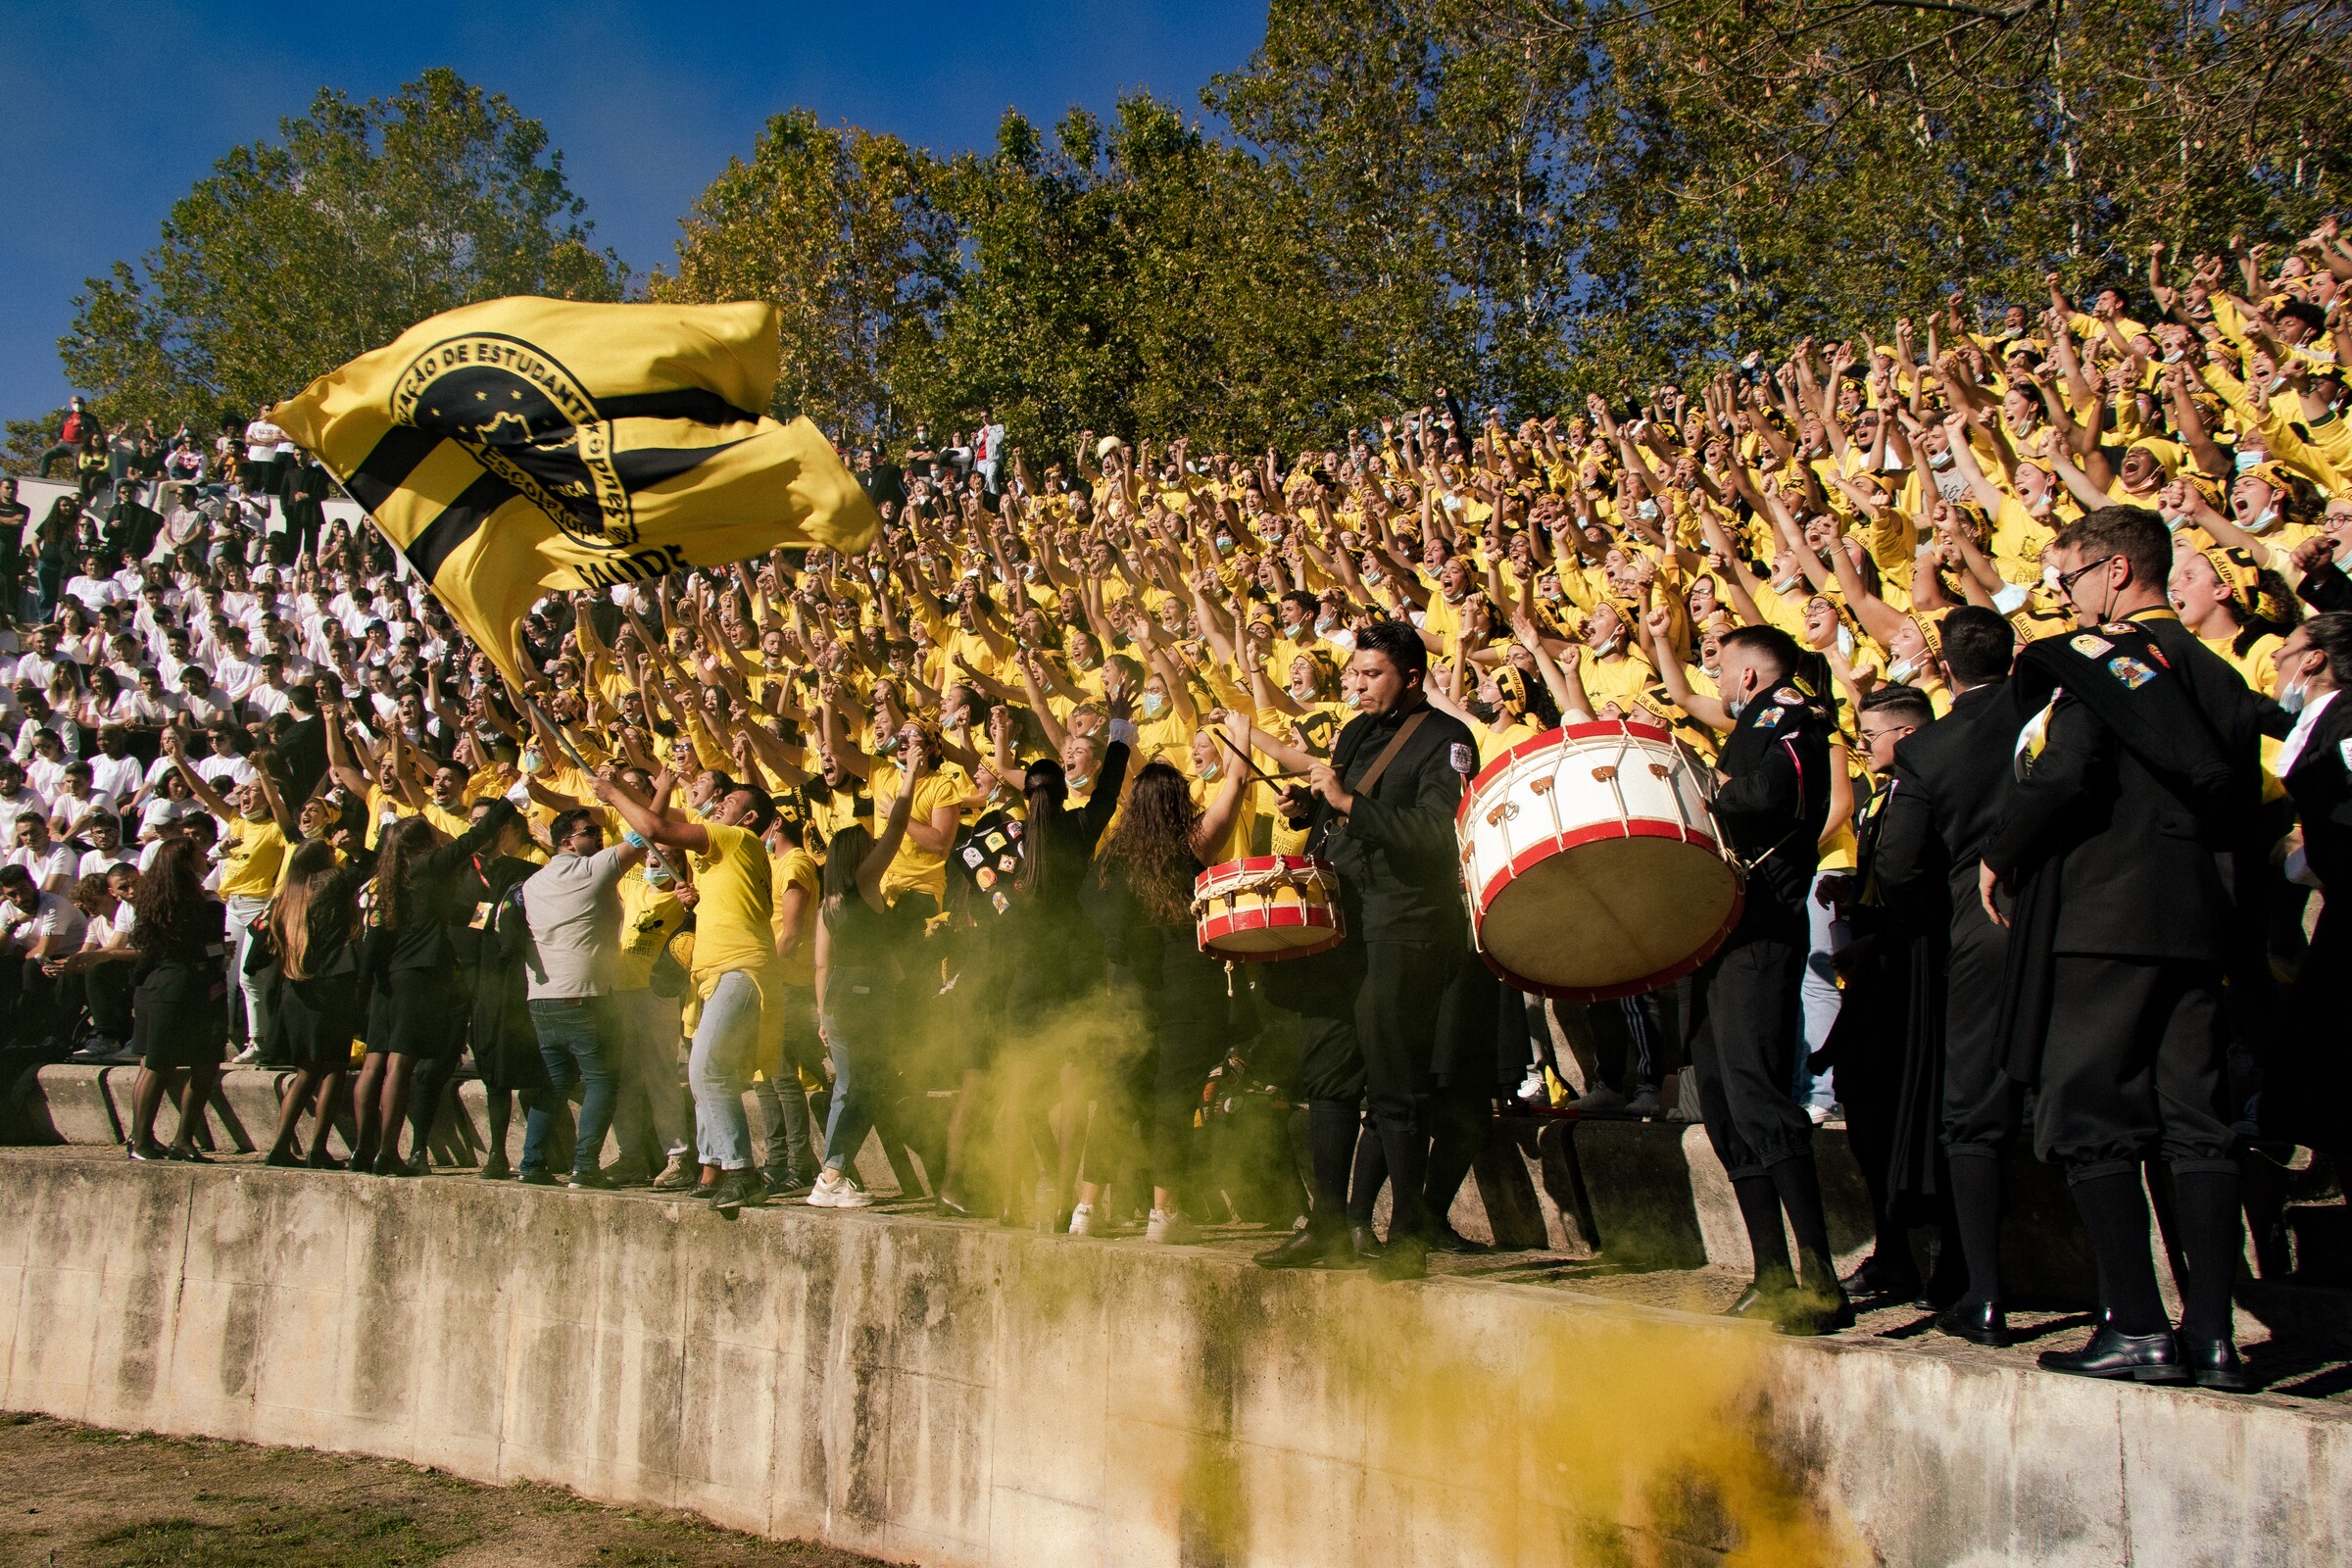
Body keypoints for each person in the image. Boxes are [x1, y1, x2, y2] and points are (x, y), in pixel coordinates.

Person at [1982, 520, 2245, 1390]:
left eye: (2068, 575)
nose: (2063, 592)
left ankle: (2135, 1323)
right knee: (2196, 1121)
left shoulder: (2098, 660)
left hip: (2100, 914)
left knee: (2092, 1117)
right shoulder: (2216, 669)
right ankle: (2213, 1336)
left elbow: (2063, 776)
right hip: (2200, 920)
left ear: (2117, 568)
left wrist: (2000, 851)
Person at [1254, 619, 1478, 1282]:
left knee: (1393, 1083)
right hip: (1339, 920)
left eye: (1370, 674)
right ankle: (1327, 1224)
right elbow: (1337, 813)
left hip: (1402, 924)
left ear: (1411, 677)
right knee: (1328, 1078)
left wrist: (1348, 800)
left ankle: (1406, 1232)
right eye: (1353, 674)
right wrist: (1308, 810)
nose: (1356, 685)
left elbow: (1438, 835)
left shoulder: (1448, 740)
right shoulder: (1352, 732)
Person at [1683, 625, 1849, 1335]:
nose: (1715, 682)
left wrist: (1703, 786)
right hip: (1720, 928)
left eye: (1721, 669)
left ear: (1749, 674)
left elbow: (1771, 793)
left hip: (1761, 926)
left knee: (1755, 1094)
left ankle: (1819, 1279)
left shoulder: (1789, 713)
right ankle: (1771, 1272)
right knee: (1722, 1099)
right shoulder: (1756, 717)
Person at [1868, 606, 2027, 1345]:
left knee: (1971, 1113)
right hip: (2068, 915)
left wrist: (1941, 915)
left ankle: (1983, 1296)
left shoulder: (1930, 749)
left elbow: (1898, 865)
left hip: (1973, 929)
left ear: (1946, 669)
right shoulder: (2050, 711)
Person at [1091, 726, 1250, 1241]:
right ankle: (1163, 1215)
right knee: (1174, 1098)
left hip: (1128, 995)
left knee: (1115, 1098)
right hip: (1185, 993)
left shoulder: (1112, 859)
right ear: (1179, 804)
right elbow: (1238, 780)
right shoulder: (1194, 843)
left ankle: (1085, 1210)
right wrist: (1239, 728)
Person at [595, 767, 778, 1215]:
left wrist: (613, 793)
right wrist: (698, 903)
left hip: (738, 969)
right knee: (711, 1074)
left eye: (729, 803)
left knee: (707, 1070)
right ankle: (716, 1166)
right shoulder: (726, 857)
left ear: (749, 818)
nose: (719, 806)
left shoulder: (736, 839)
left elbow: (655, 829)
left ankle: (741, 1172)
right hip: (715, 974)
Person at [357, 798, 522, 1177]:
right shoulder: (427, 867)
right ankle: (387, 1150)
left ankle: (363, 1150)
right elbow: (475, 838)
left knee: (374, 1061)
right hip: (417, 974)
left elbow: (444, 915)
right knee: (400, 1061)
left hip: (386, 975)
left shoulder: (386, 876)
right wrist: (508, 800)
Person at [805, 739, 925, 1212]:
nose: (876, 848)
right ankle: (831, 1175)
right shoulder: (863, 885)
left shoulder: (828, 903)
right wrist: (910, 775)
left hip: (837, 998)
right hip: (867, 996)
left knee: (854, 1086)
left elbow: (821, 964)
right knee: (858, 1087)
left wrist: (821, 1014)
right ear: (859, 855)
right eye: (868, 846)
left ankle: (834, 1171)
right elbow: (896, 829)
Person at [517, 807, 649, 1189]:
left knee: (556, 1082)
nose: (599, 837)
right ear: (566, 842)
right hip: (584, 996)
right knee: (602, 1080)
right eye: (590, 832)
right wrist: (661, 789)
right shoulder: (589, 870)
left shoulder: (533, 882)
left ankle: (532, 1163)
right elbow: (644, 832)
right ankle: (585, 1166)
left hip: (542, 998)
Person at [251, 838, 369, 1168]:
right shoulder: (331, 883)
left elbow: (256, 948)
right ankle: (318, 1147)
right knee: (333, 1068)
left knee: (304, 1072)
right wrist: (357, 849)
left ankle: (279, 1145)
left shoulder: (284, 898)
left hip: (295, 989)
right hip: (330, 988)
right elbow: (364, 870)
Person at [122, 837, 229, 1160]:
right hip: (188, 988)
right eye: (199, 853)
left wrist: (136, 987)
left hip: (155, 987)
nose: (205, 855)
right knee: (200, 1063)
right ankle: (177, 1139)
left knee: (156, 1065)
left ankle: (140, 1138)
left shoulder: (155, 902)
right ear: (185, 863)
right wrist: (221, 953)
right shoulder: (206, 904)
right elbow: (207, 949)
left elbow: (149, 954)